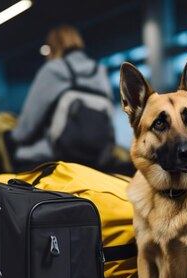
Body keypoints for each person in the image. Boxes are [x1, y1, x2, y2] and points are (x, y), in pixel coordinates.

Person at [6, 25, 113, 171]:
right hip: (95, 161)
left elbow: (26, 128)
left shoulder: (52, 70)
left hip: (52, 159)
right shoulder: (100, 71)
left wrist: (11, 137)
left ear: (53, 47)